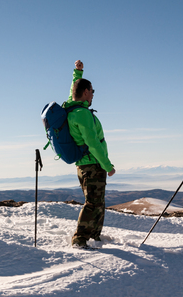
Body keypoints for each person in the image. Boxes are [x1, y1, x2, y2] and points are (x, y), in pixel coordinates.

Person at [63, 60, 116, 248]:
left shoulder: (71, 106)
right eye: (92, 91)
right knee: (93, 203)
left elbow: (73, 90)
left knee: (98, 202)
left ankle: (94, 236)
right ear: (86, 92)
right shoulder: (83, 114)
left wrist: (77, 73)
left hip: (84, 164)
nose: (93, 94)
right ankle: (80, 239)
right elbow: (93, 143)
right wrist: (107, 166)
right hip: (93, 164)